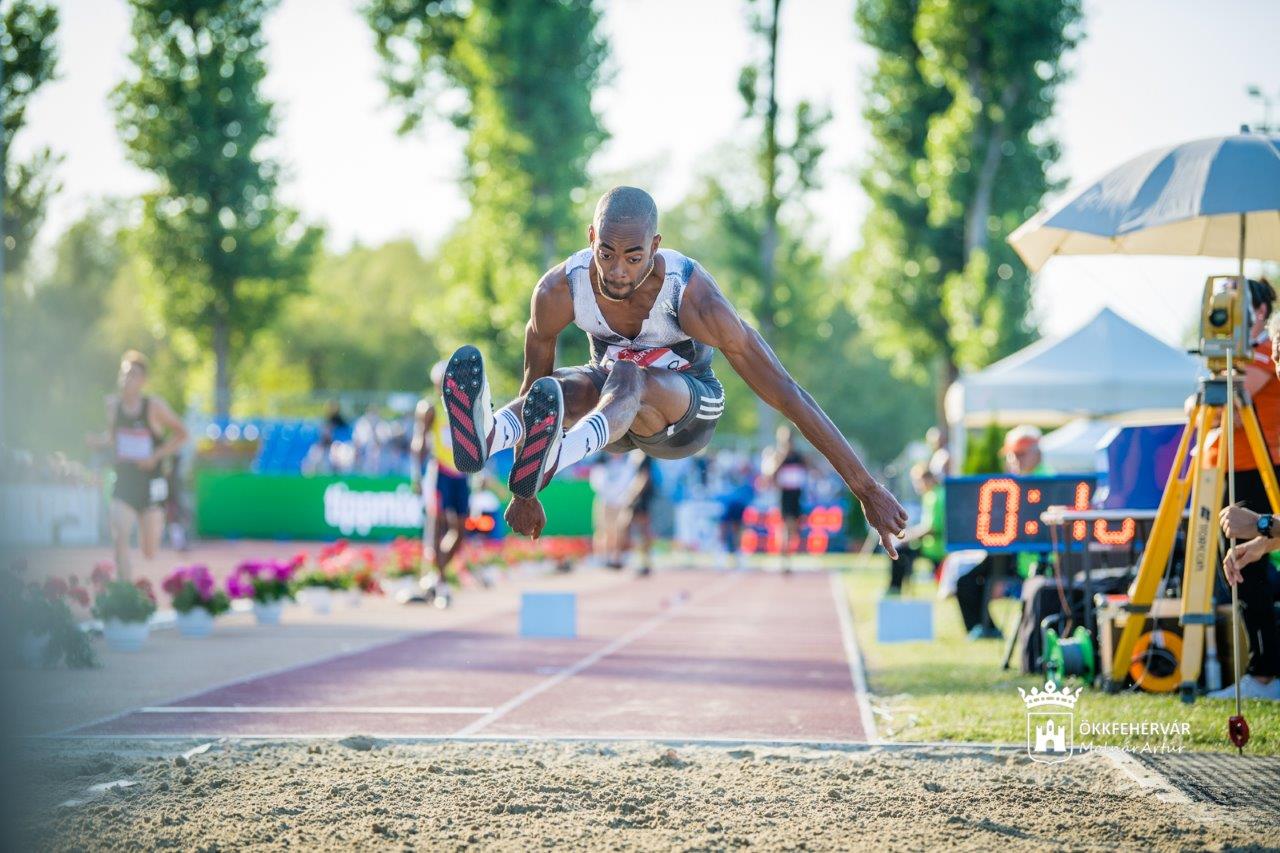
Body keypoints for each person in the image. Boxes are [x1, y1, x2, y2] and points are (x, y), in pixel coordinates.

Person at [438, 186, 906, 552]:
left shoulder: (694, 297)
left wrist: (864, 487)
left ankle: (557, 457)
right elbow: (535, 394)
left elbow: (787, 393)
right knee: (561, 387)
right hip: (611, 418)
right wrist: (524, 492)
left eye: (633, 257)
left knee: (627, 373)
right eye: (606, 254)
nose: (617, 271)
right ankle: (488, 435)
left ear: (655, 246)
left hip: (686, 415)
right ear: (590, 239)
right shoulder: (559, 290)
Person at [1214, 279, 1280, 700]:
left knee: (1256, 581)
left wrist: (1260, 526)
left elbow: (1229, 410)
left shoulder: (1257, 360)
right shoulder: (1243, 359)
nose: (1276, 357)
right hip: (1235, 466)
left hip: (1261, 466)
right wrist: (1259, 541)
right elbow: (1203, 406)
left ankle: (1266, 674)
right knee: (1248, 573)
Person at [91, 351, 188, 580]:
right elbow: (114, 438)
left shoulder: (153, 406)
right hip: (124, 481)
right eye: (124, 373)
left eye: (133, 374)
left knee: (149, 550)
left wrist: (156, 456)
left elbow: (182, 434)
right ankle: (125, 596)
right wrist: (99, 441)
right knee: (120, 538)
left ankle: (158, 523)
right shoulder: (113, 406)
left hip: (151, 482)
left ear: (143, 380)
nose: (127, 378)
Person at [956, 425, 1051, 639]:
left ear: (1038, 452)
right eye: (1011, 455)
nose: (1015, 460)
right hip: (1009, 554)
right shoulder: (1012, 484)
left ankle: (987, 628)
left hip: (1034, 560)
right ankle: (986, 629)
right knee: (967, 582)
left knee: (974, 580)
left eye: (1021, 454)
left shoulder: (1048, 482)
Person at [410, 362, 471, 608]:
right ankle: (442, 584)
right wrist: (416, 474)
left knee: (461, 529)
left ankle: (434, 577)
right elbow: (419, 442)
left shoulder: (465, 409)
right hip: (440, 472)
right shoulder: (430, 408)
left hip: (461, 474)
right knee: (437, 526)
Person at [888, 464, 944, 595]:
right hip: (931, 543)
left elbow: (931, 528)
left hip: (935, 547)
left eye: (918, 481)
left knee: (898, 549)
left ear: (928, 479)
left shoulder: (934, 496)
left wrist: (906, 537)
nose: (916, 485)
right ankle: (895, 588)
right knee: (900, 545)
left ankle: (895, 588)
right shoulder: (935, 493)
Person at [763, 425, 810, 573]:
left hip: (797, 494)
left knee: (794, 529)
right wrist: (783, 456)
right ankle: (785, 559)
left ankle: (787, 553)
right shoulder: (777, 456)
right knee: (786, 526)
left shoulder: (798, 456)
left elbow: (810, 467)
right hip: (784, 495)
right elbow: (769, 475)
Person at [589, 452, 636, 569]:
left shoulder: (628, 463)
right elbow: (596, 482)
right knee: (603, 530)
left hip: (622, 502)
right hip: (604, 501)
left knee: (620, 530)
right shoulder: (601, 462)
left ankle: (616, 558)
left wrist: (623, 497)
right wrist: (608, 496)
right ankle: (602, 558)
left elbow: (630, 482)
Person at [620, 450, 656, 576]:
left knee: (640, 529)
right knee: (632, 528)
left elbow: (644, 476)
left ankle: (643, 561)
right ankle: (640, 560)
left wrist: (633, 494)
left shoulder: (645, 453)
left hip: (640, 497)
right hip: (636, 496)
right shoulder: (633, 454)